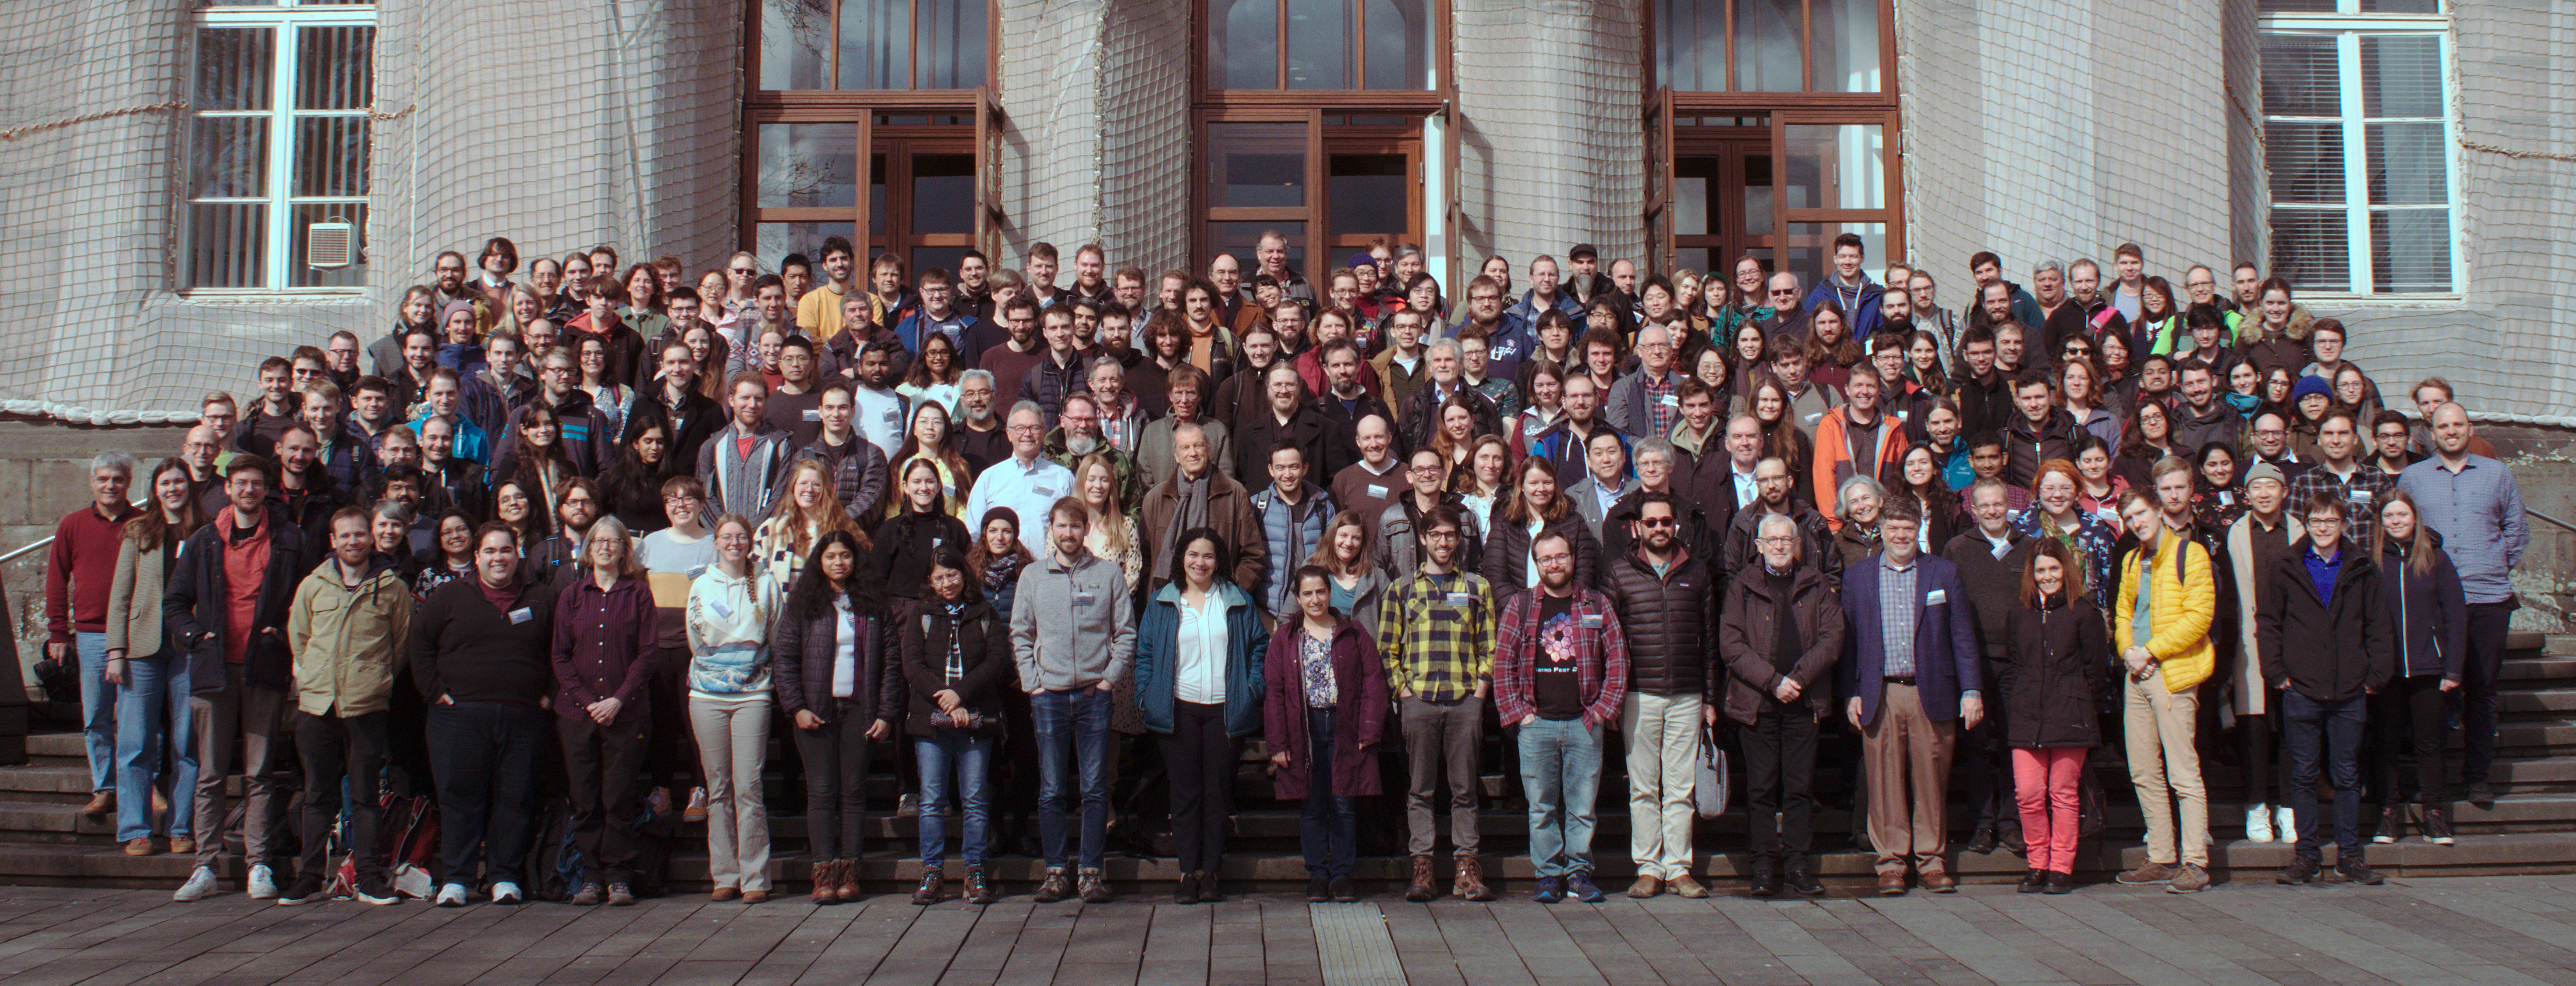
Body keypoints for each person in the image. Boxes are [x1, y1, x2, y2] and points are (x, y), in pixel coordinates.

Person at [165, 454, 310, 904]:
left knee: (260, 772)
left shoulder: (289, 540)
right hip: (214, 666)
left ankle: (259, 863)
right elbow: (175, 602)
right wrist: (194, 635)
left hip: (264, 665)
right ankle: (204, 865)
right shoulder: (203, 541)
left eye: (256, 484)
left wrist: (285, 636)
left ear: (267, 489)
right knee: (210, 773)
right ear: (228, 489)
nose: (249, 490)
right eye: (241, 483)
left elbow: (306, 598)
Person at [1839, 494, 1981, 895]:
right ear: (1881, 531)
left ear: (1919, 531)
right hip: (1879, 692)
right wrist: (1851, 692)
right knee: (1883, 782)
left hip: (1931, 691)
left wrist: (1971, 689)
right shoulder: (1859, 576)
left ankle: (1932, 861)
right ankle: (1891, 864)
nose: (1901, 535)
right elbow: (1848, 641)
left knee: (1931, 779)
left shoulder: (1943, 573)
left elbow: (1963, 637)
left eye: (1908, 529)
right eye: (1894, 528)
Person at [410, 522, 555, 907]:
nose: (498, 559)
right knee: (460, 798)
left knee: (515, 797)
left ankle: (504, 876)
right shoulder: (451, 596)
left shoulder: (540, 597)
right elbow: (419, 642)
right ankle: (458, 878)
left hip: (524, 717)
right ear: (477, 558)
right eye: (489, 551)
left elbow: (562, 648)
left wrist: (551, 694)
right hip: (459, 716)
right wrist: (434, 691)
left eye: (505, 550)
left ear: (517, 554)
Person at [2258, 493, 2396, 886]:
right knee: (2302, 774)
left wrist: (2375, 676)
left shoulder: (2361, 567)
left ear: (2343, 525)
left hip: (2350, 688)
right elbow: (2269, 620)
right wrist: (2276, 671)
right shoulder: (2286, 565)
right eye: (2316, 521)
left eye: (2330, 522)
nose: (2323, 529)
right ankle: (2306, 856)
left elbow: (2378, 626)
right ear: (2307, 524)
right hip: (2300, 687)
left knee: (2347, 774)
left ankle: (2349, 855)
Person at [277, 507, 412, 905]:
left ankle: (369, 877)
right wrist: (316, 677)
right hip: (318, 705)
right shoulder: (314, 585)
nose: (353, 542)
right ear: (333, 541)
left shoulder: (392, 588)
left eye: (359, 534)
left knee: (367, 795)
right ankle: (310, 877)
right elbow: (299, 636)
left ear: (371, 539)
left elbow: (400, 646)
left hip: (366, 705)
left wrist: (374, 678)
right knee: (318, 794)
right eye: (345, 536)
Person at [2397, 401, 2526, 809]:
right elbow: (2402, 529)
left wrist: (2492, 564)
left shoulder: (2497, 474)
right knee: (2430, 694)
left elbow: (2516, 530)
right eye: (2443, 426)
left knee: (2482, 690)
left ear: (2470, 429)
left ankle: (2478, 777)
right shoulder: (2413, 477)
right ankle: (2431, 780)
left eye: (2458, 425)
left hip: (2487, 598)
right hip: (2432, 603)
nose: (2451, 431)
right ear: (2431, 433)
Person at [1010, 498, 1136, 904]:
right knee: (1050, 789)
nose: (1069, 534)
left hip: (1093, 696)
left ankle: (1091, 872)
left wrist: (1107, 681)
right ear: (1052, 529)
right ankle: (1054, 872)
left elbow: (1126, 633)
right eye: (1062, 527)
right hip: (1049, 696)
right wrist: (1034, 682)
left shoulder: (1108, 573)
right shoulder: (1032, 576)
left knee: (1096, 788)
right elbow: (1021, 633)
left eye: (1076, 527)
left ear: (1086, 530)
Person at [1134, 530, 1269, 904]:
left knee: (1217, 793)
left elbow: (1260, 646)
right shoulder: (1164, 602)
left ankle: (1210, 872)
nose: (1200, 563)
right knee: (1185, 795)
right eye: (1193, 555)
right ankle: (1186, 873)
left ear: (1219, 560)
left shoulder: (1236, 599)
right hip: (1179, 709)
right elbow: (1144, 653)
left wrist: (1252, 688)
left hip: (1225, 709)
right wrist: (1147, 694)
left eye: (1208, 556)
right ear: (1181, 558)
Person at [1492, 532, 1626, 904]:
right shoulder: (1521, 606)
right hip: (1538, 725)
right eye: (1546, 559)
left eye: (1561, 557)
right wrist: (1519, 715)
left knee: (1583, 807)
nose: (1554, 564)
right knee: (1541, 806)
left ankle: (1579, 873)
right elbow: (1502, 663)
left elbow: (1617, 657)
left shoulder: (1595, 603)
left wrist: (1602, 710)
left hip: (1584, 722)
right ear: (1536, 565)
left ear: (1572, 559)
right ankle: (1549, 875)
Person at [1594, 492, 1717, 898]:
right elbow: (1607, 644)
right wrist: (1609, 699)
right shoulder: (1617, 572)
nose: (1659, 529)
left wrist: (1711, 700)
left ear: (1675, 525)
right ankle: (1649, 867)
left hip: (1686, 694)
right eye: (1652, 523)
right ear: (1638, 527)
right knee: (1644, 786)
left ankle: (1679, 868)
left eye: (1666, 522)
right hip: (1638, 695)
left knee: (1681, 788)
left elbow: (1711, 642)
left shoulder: (1697, 572)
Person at [773, 530, 903, 905]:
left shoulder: (873, 605)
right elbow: (785, 659)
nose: (838, 563)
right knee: (822, 792)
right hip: (816, 710)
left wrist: (887, 713)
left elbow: (891, 663)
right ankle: (823, 872)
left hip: (859, 710)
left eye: (845, 556)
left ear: (855, 560)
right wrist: (796, 707)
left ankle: (850, 871)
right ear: (820, 561)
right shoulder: (804, 604)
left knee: (854, 793)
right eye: (831, 557)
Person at [1375, 504, 1498, 901]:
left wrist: (1481, 690)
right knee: (1420, 790)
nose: (1443, 542)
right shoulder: (1402, 589)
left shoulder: (1477, 588)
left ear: (1459, 540)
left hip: (1464, 700)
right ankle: (1423, 867)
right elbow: (1386, 649)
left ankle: (1466, 866)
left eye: (1450, 535)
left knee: (1464, 790)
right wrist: (1403, 692)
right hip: (1420, 702)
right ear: (1423, 540)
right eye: (1436, 535)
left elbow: (1489, 645)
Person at [2106, 487, 2217, 893]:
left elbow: (2199, 617)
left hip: (2172, 673)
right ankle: (2162, 855)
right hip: (2137, 673)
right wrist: (2128, 653)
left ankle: (2195, 861)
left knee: (2183, 771)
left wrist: (2150, 651)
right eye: (2130, 518)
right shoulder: (2134, 558)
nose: (2137, 523)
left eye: (2141, 514)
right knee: (2143, 769)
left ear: (2157, 510)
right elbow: (2122, 611)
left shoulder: (2191, 555)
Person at [548, 517, 658, 907]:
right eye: (599, 541)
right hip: (577, 715)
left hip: (626, 715)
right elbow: (560, 655)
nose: (606, 547)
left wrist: (618, 699)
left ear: (625, 551)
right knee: (585, 798)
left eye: (614, 541)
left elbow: (647, 654)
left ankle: (619, 878)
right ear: (588, 547)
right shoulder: (572, 595)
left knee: (619, 797)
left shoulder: (638, 594)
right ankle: (590, 877)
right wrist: (587, 701)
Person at [1264, 565, 1388, 903]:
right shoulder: (1286, 638)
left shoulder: (1353, 633)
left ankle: (1343, 875)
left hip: (1344, 725)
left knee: (1345, 802)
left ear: (1329, 593)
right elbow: (1274, 691)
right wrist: (1277, 742)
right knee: (1314, 804)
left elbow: (1374, 683)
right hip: (1304, 728)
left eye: (1321, 592)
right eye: (1308, 594)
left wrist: (1369, 728)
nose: (1315, 599)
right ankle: (1318, 874)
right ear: (1298, 598)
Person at [900, 545, 1013, 906]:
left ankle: (974, 869)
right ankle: (932, 870)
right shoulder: (921, 614)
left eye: (952, 575)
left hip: (975, 717)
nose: (947, 583)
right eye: (939, 578)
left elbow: (996, 661)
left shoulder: (984, 613)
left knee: (976, 799)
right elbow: (913, 665)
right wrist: (943, 696)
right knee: (932, 799)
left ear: (964, 575)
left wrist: (960, 695)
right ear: (930, 582)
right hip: (931, 720)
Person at [103, 458, 204, 857]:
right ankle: (135, 829)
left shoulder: (205, 531)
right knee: (135, 743)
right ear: (155, 489)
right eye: (165, 483)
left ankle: (182, 827)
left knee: (187, 744)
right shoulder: (138, 531)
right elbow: (120, 596)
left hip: (188, 652)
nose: (173, 489)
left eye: (179, 482)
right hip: (142, 650)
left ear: (189, 487)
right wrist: (116, 652)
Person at [2000, 539, 2108, 894]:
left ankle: (2061, 867)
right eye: (2041, 570)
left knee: (2063, 794)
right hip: (2027, 713)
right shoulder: (2019, 614)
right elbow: (2015, 664)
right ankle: (2037, 863)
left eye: (2053, 569)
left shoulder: (2084, 613)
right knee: (2029, 794)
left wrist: (2074, 698)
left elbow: (2096, 670)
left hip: (2069, 713)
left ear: (2066, 571)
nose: (2047, 577)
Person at [1941, 477, 2038, 854]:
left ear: (2008, 506)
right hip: (1975, 663)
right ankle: (1983, 824)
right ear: (1974, 510)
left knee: (2016, 745)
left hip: (2018, 664)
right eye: (1985, 506)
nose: (1993, 511)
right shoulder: (1957, 549)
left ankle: (2012, 822)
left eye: (1998, 504)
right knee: (1977, 747)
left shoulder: (2030, 548)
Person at [684, 514, 776, 903]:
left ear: (750, 542)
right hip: (707, 695)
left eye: (741, 537)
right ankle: (724, 874)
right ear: (716, 543)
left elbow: (776, 632)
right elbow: (694, 640)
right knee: (718, 787)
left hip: (753, 694)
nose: (734, 543)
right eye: (727, 537)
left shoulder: (768, 584)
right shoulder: (701, 585)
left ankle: (755, 878)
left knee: (748, 786)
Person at [44, 451, 139, 822]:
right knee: (96, 716)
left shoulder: (144, 523)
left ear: (129, 481)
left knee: (140, 716)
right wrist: (58, 632)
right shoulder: (73, 525)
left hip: (137, 635)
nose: (110, 485)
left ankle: (143, 784)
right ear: (92, 482)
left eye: (117, 479)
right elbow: (57, 578)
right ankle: (105, 788)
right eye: (103, 479)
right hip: (91, 635)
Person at [2368, 489, 2466, 847]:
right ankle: (2388, 813)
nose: (2396, 522)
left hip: (2429, 668)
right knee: (2387, 744)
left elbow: (2456, 616)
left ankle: (2434, 814)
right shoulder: (2373, 560)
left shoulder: (2436, 558)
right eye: (2390, 517)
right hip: (2386, 670)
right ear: (2381, 522)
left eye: (2402, 516)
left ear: (2415, 519)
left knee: (2430, 745)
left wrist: (2453, 670)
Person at [964, 403, 1077, 541]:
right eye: (1020, 428)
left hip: (1048, 562)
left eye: (1034, 428)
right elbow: (973, 532)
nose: (1027, 434)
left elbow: (1075, 526)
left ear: (1043, 433)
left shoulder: (1064, 478)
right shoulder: (989, 478)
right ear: (1009, 434)